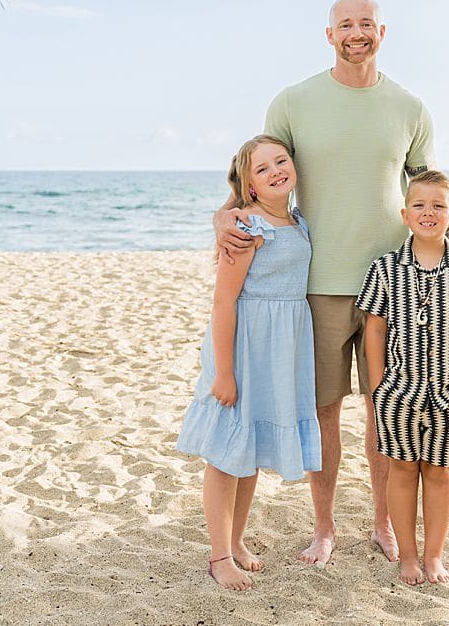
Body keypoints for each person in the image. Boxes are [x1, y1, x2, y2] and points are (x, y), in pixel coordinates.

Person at [215, 0, 449, 566]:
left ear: (382, 32)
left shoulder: (411, 108)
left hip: (392, 285)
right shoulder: (293, 102)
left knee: (385, 410)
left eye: (365, 24)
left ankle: (383, 524)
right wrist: (224, 215)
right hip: (316, 285)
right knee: (324, 413)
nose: (356, 33)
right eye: (345, 24)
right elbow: (259, 173)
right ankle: (323, 528)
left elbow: (427, 192)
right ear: (329, 35)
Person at [177, 134, 322, 591]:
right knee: (226, 453)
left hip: (279, 352)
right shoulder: (248, 227)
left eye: (281, 161)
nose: (276, 171)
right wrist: (224, 372)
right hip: (243, 349)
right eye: (262, 168)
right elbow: (224, 302)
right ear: (250, 185)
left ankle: (236, 541)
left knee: (250, 450)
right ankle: (219, 556)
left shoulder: (297, 220)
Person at [356, 170, 449, 585]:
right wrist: (379, 387)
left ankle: (434, 556)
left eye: (438, 206)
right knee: (401, 470)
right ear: (405, 214)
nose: (428, 212)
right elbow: (374, 330)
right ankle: (409, 557)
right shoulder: (384, 269)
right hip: (399, 392)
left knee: (438, 473)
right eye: (419, 205)